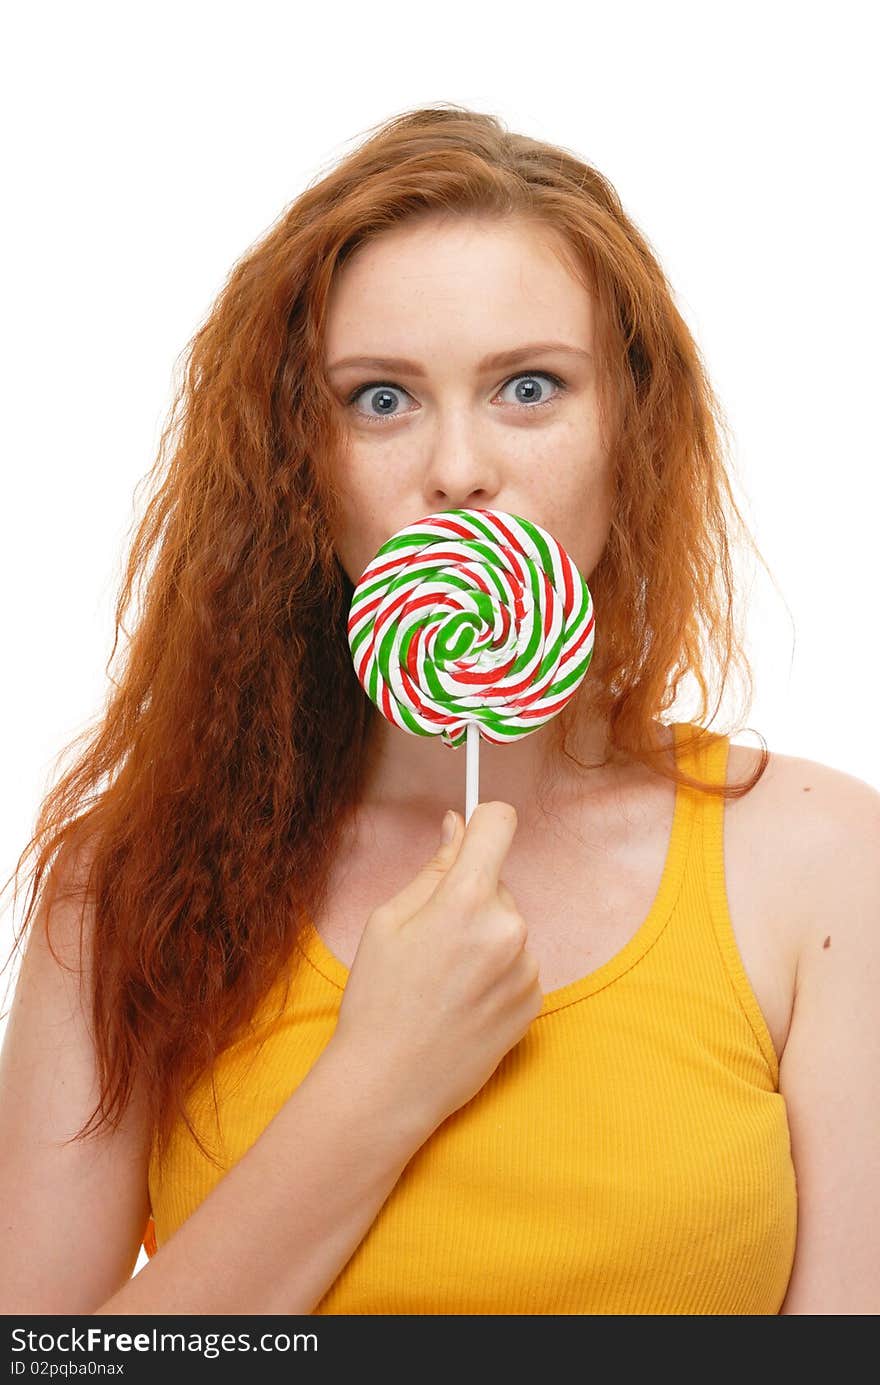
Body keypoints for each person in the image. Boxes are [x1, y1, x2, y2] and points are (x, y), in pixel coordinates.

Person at [0, 103, 877, 1318]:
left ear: (629, 435)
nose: (457, 465)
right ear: (296, 462)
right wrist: (380, 1078)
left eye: (528, 386)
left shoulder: (823, 862)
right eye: (380, 399)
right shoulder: (124, 888)